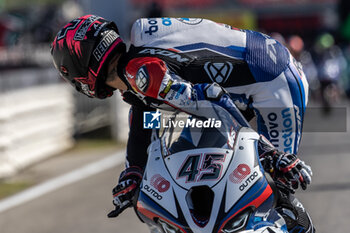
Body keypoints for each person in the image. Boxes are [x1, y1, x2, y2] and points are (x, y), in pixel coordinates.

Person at [51, 15, 314, 232]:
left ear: (79, 72)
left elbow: (214, 101)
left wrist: (271, 154)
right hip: (253, 81)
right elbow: (145, 121)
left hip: (274, 82)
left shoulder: (142, 73)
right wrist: (133, 173)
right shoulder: (136, 72)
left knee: (279, 184)